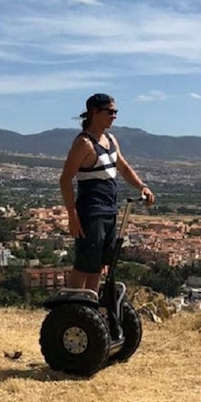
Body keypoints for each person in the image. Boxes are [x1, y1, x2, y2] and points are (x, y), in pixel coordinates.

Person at [59, 93, 155, 294]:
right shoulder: (84, 143)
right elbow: (65, 179)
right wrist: (72, 216)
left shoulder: (111, 140)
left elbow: (123, 167)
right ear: (95, 112)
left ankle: (90, 304)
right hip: (91, 211)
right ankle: (71, 306)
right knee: (85, 262)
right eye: (110, 112)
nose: (114, 116)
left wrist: (141, 186)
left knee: (99, 264)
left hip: (110, 210)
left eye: (115, 112)